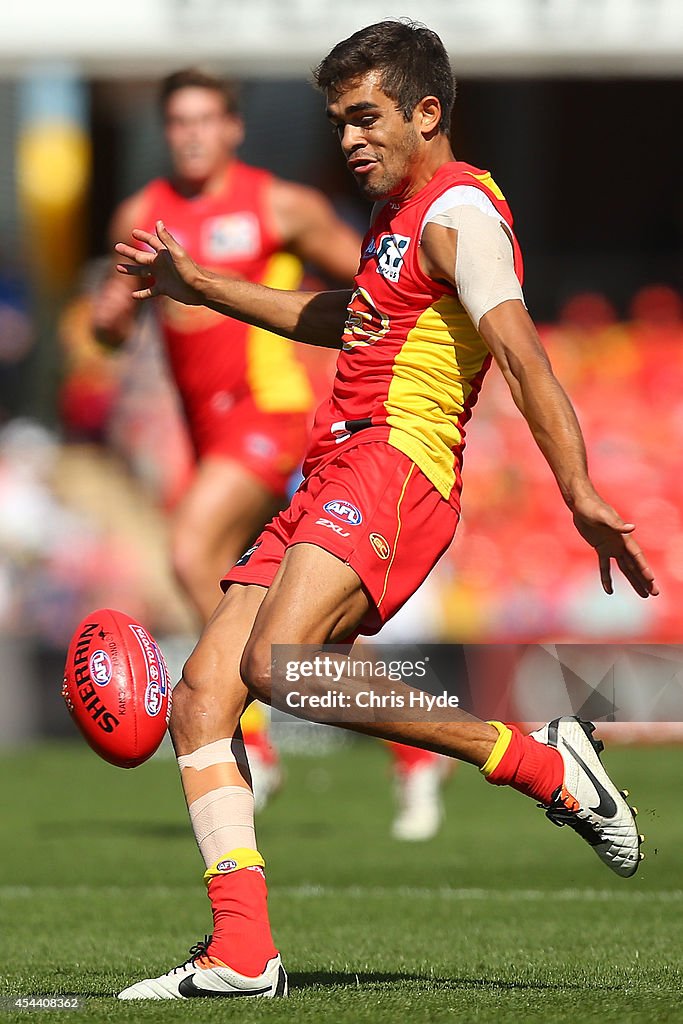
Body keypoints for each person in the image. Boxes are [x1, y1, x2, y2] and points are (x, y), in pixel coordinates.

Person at [113, 21, 657, 1000]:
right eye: (338, 123)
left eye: (365, 117)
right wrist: (202, 287)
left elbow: (523, 355)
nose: (349, 140)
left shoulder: (460, 215)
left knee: (279, 667)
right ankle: (242, 953)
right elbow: (339, 317)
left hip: (394, 470)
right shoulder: (396, 216)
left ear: (426, 112)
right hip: (331, 468)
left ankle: (538, 765)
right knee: (201, 698)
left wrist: (577, 490)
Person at [92, 69, 361, 805]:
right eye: (178, 121)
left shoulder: (281, 205)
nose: (192, 134)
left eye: (205, 119)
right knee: (259, 595)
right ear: (164, 130)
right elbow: (109, 326)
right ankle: (407, 747)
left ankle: (246, 736)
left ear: (233, 128)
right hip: (206, 433)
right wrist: (110, 321)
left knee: (189, 551)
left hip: (271, 413)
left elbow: (371, 285)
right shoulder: (141, 213)